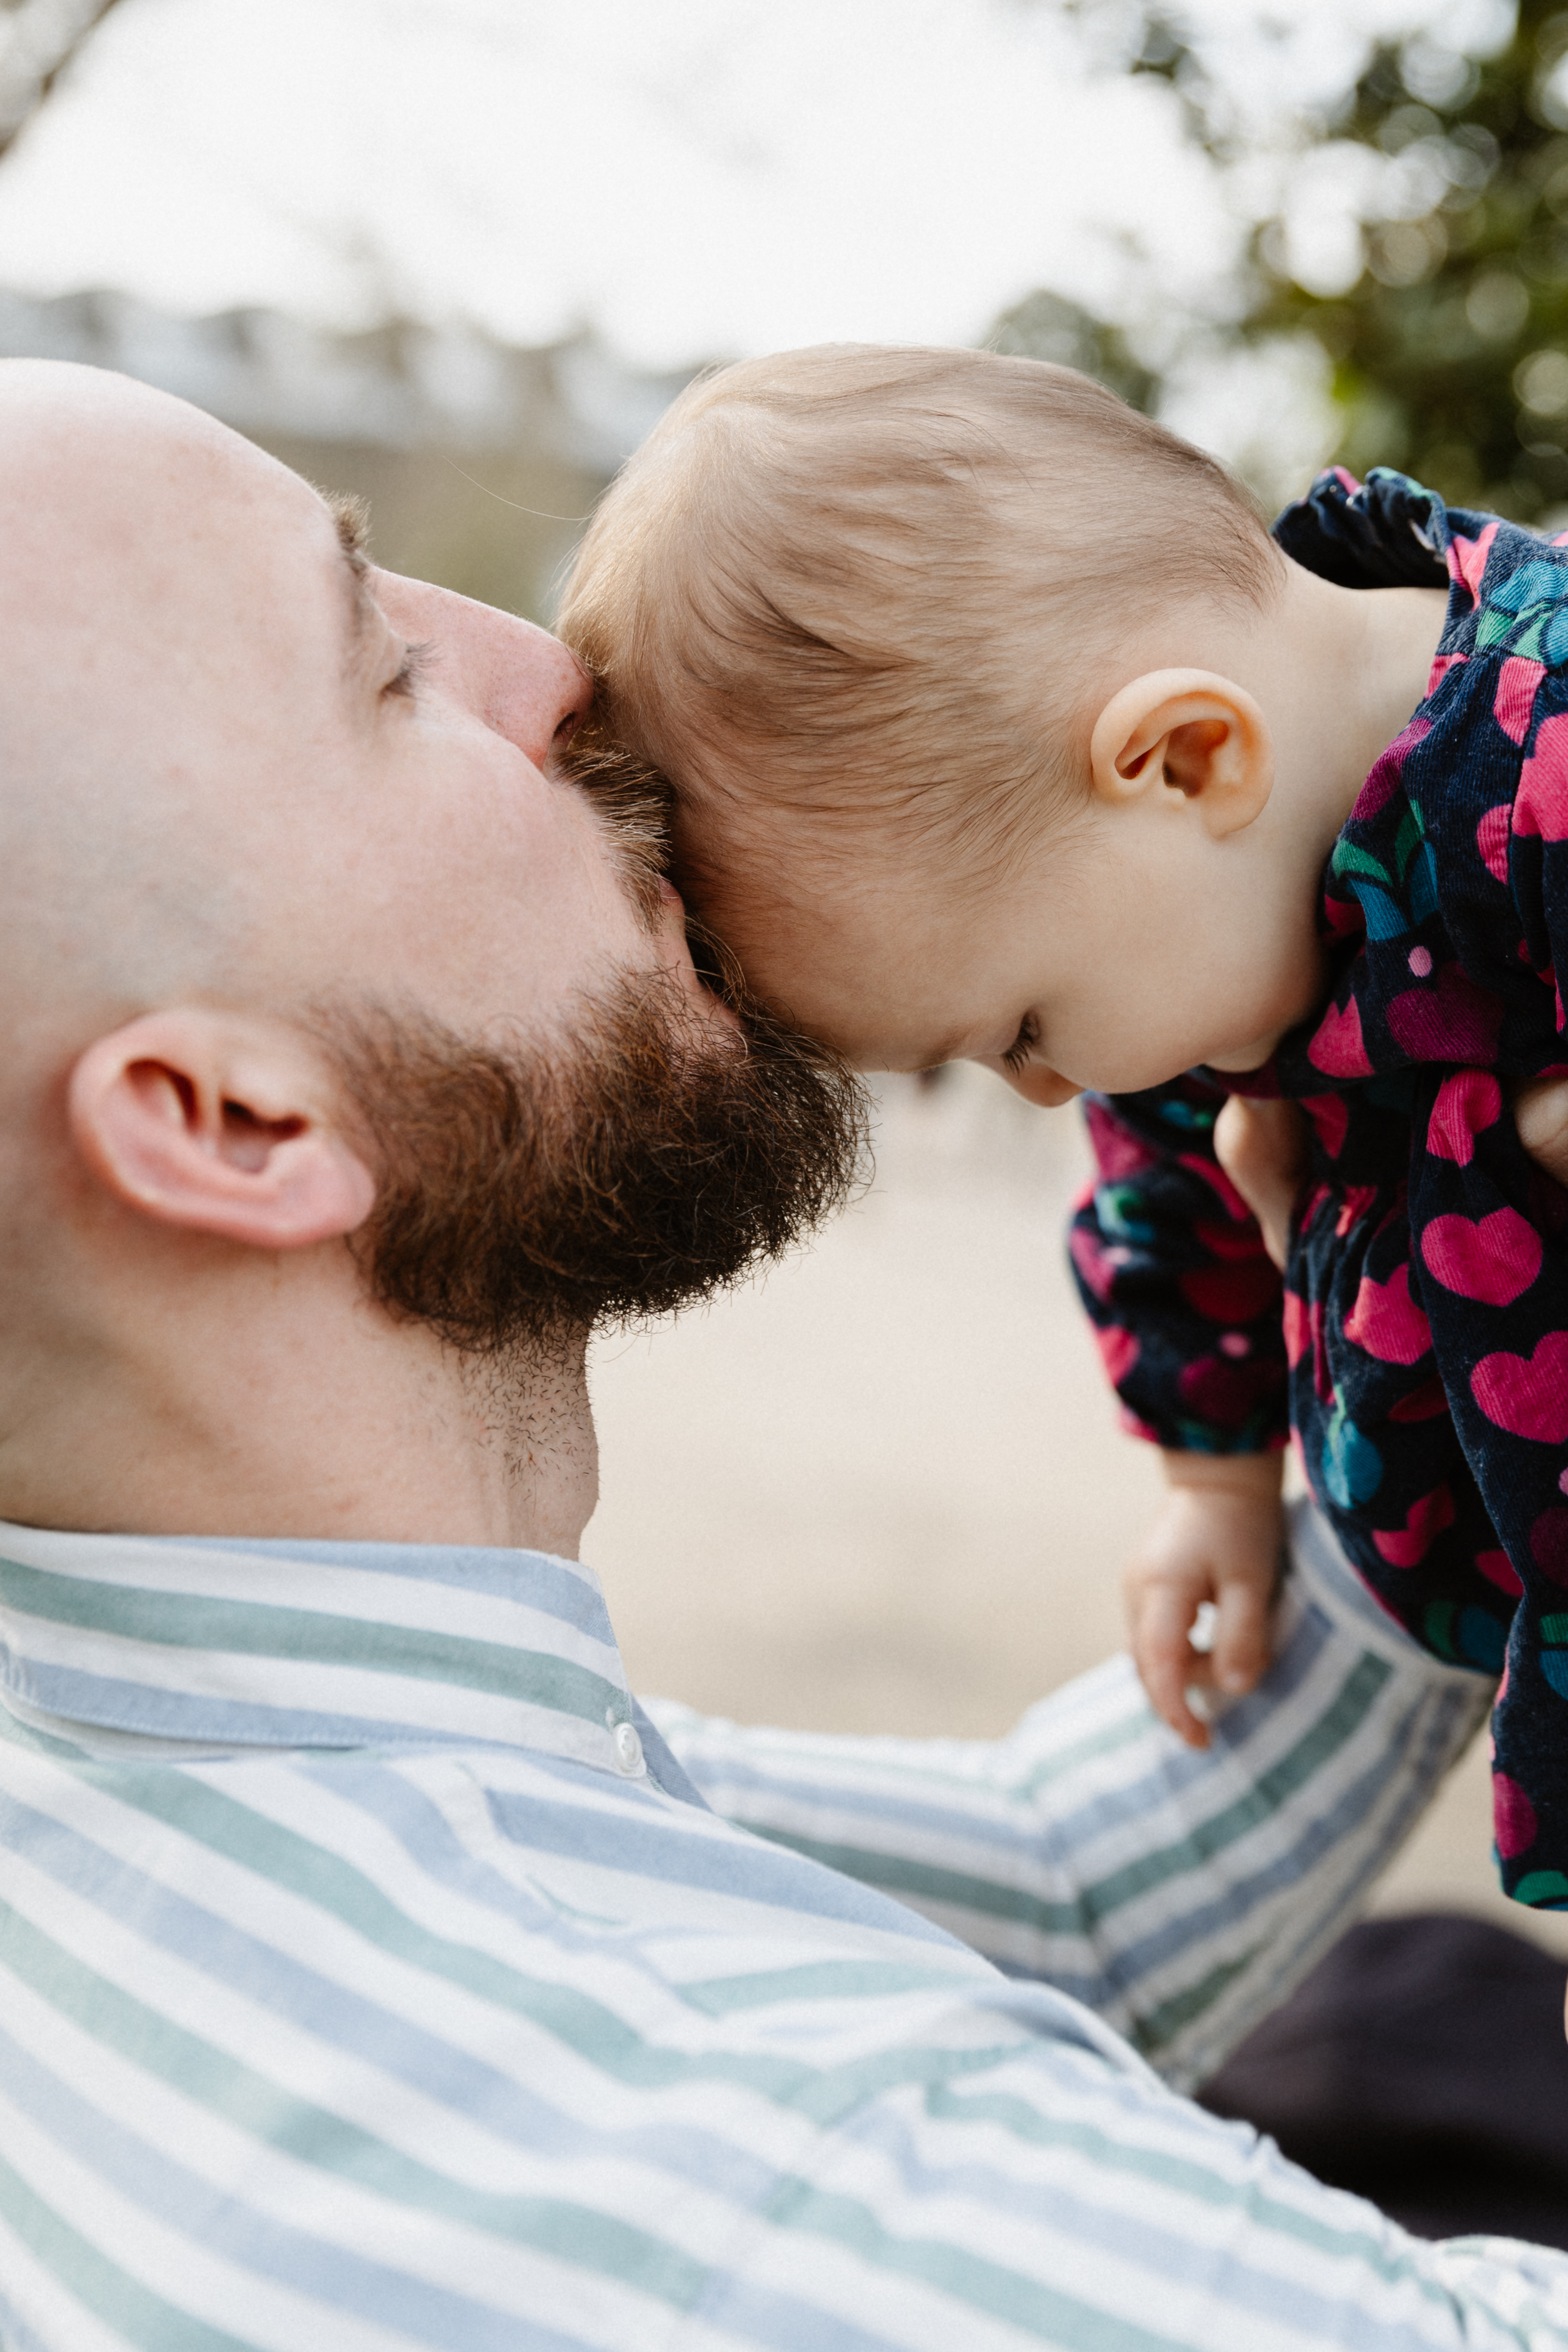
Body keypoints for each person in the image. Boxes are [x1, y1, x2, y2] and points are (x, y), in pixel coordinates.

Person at [0, 353, 1556, 2352]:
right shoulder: (748, 2185)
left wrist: (1429, 1311)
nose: (555, 677)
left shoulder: (178, 1746)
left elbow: (1065, 1892)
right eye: (383, 665)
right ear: (234, 1126)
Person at [557, 341, 1568, 1911]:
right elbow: (1162, 1192)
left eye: (1022, 1028)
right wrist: (1214, 1480)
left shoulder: (1546, 769)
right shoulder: (1200, 907)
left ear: (1183, 757)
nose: (1049, 1091)